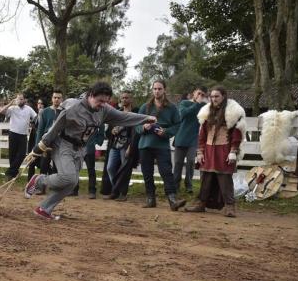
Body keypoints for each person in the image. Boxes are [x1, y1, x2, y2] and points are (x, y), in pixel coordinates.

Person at [23, 81, 155, 220]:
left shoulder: (104, 109)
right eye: (100, 101)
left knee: (71, 183)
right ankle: (39, 180)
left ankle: (44, 208)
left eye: (106, 101)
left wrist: (146, 119)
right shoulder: (73, 107)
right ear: (91, 95)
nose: (103, 104)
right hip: (63, 144)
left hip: (80, 148)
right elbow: (55, 128)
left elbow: (123, 117)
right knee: (68, 177)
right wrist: (38, 148)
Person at [185, 86, 246, 217]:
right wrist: (200, 152)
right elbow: (202, 134)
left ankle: (230, 207)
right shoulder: (206, 111)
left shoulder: (232, 112)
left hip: (224, 149)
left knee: (225, 179)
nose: (214, 99)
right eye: (212, 96)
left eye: (216, 96)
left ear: (223, 96)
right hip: (208, 149)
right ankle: (201, 203)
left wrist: (233, 151)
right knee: (206, 178)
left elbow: (237, 133)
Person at [135, 80, 186, 211]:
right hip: (145, 144)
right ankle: (150, 199)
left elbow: (178, 125)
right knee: (147, 172)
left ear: (165, 90)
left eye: (159, 88)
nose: (157, 91)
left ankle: (172, 199)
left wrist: (166, 132)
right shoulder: (145, 107)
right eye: (155, 89)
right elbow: (136, 125)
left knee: (166, 172)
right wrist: (143, 127)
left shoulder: (172, 108)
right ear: (152, 90)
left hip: (162, 144)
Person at [173, 86, 207, 193]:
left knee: (191, 162)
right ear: (194, 93)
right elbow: (183, 114)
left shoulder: (204, 106)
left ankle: (189, 185)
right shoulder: (184, 103)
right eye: (199, 93)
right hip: (181, 137)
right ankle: (175, 185)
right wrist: (196, 103)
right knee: (178, 162)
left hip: (193, 139)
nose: (200, 96)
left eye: (202, 94)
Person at [0, 93, 37, 180]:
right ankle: (13, 174)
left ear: (25, 100)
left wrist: (34, 124)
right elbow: (2, 111)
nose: (19, 100)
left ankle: (9, 172)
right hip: (13, 134)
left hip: (23, 135)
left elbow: (36, 117)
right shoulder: (12, 108)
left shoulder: (29, 109)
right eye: (18, 99)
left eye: (21, 99)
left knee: (21, 155)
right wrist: (10, 103)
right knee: (12, 155)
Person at [34, 89, 63, 182]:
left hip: (60, 142)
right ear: (52, 99)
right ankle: (41, 186)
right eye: (55, 97)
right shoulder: (45, 112)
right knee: (44, 165)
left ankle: (55, 186)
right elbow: (40, 129)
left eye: (59, 98)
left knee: (57, 166)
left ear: (62, 99)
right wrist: (38, 145)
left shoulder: (64, 112)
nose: (56, 99)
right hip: (47, 142)